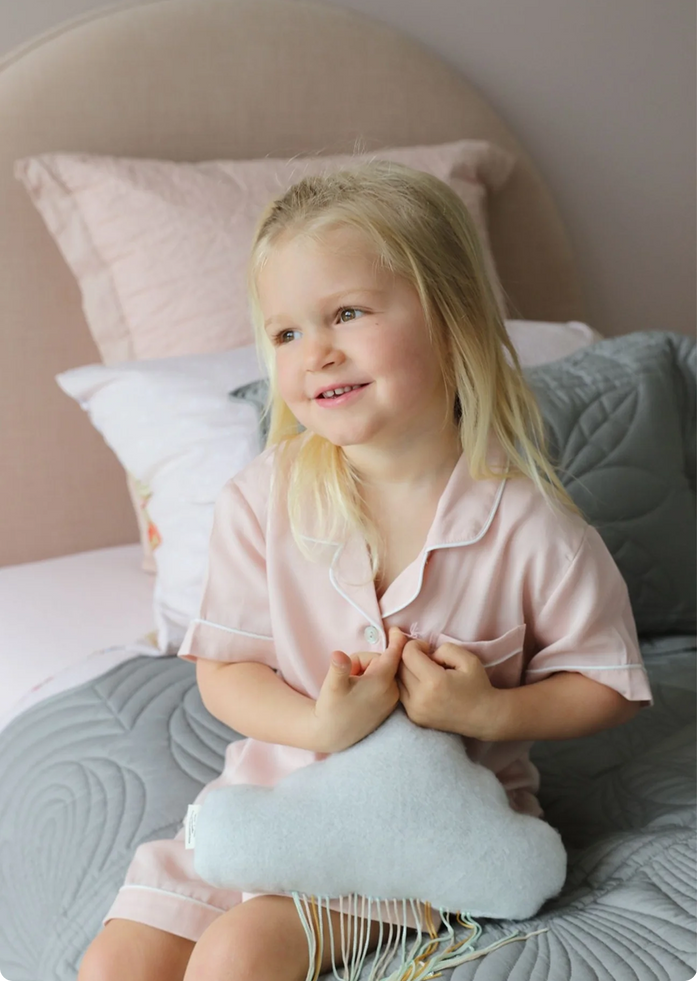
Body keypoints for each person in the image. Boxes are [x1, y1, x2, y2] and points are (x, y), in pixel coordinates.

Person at [78, 162, 654, 981]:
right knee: (115, 965)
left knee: (239, 956)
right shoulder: (261, 499)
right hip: (272, 801)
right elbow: (226, 670)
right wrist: (320, 728)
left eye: (346, 314)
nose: (315, 353)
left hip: (431, 833)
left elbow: (607, 686)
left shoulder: (535, 530)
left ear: (449, 319)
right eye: (285, 333)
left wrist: (489, 711)